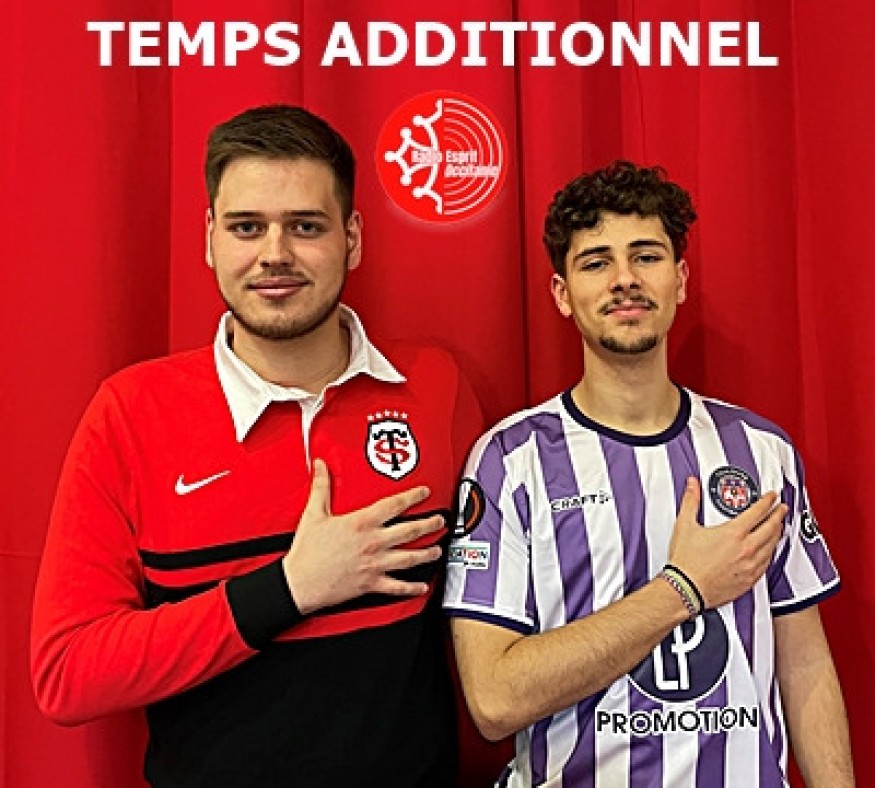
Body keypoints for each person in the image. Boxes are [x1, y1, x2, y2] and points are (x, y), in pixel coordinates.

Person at [31, 104, 482, 787]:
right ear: (210, 239)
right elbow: (67, 673)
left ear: (352, 239)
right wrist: (289, 589)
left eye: (305, 226)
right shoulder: (129, 413)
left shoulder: (435, 385)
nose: (275, 253)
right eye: (247, 227)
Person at [444, 161, 854, 787]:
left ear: (679, 279)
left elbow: (803, 664)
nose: (625, 280)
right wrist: (682, 589)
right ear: (562, 293)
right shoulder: (510, 460)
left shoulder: (759, 450)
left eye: (646, 256)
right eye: (596, 262)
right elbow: (494, 700)